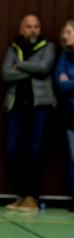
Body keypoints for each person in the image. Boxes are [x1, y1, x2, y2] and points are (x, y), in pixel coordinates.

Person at [1, 14, 56, 212]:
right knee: (12, 150)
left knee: (35, 150)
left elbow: (44, 68)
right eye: (28, 26)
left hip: (41, 106)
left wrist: (20, 66)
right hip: (16, 106)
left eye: (36, 26)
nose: (33, 30)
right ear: (21, 29)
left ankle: (33, 197)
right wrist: (30, 69)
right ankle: (21, 195)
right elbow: (6, 73)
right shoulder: (12, 49)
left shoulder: (48, 47)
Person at [55, 20, 74, 212]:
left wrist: (70, 82)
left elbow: (67, 83)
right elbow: (60, 84)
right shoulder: (63, 58)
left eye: (68, 32)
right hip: (71, 115)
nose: (64, 36)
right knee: (73, 158)